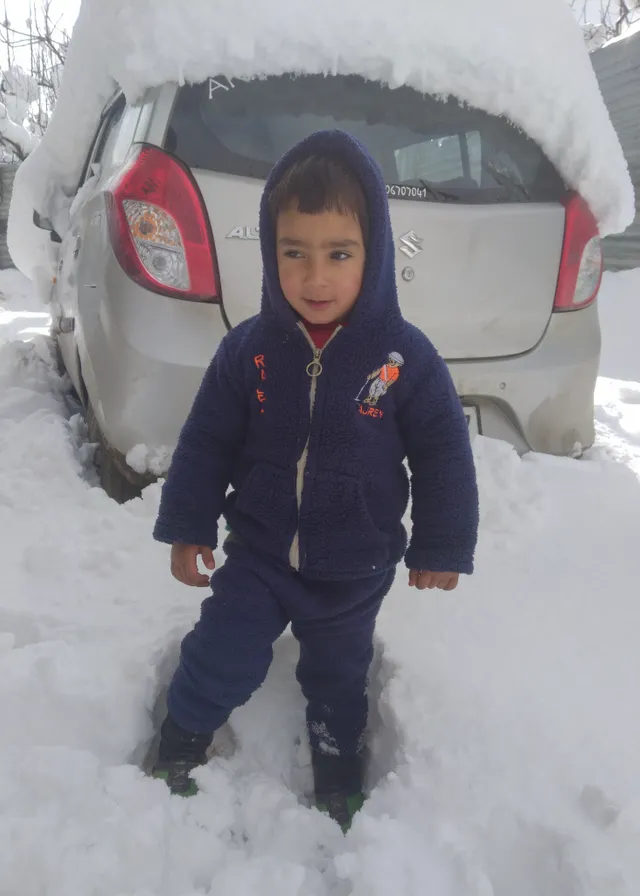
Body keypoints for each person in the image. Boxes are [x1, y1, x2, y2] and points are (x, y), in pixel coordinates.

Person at [149, 129, 479, 832]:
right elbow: (207, 441)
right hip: (262, 554)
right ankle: (180, 734)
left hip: (356, 567)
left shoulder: (403, 357)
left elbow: (444, 452)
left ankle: (336, 760)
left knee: (337, 677)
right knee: (223, 650)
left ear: (376, 254)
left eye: (339, 254)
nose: (315, 277)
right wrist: (187, 524)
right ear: (271, 256)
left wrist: (442, 542)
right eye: (293, 253)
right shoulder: (251, 351)